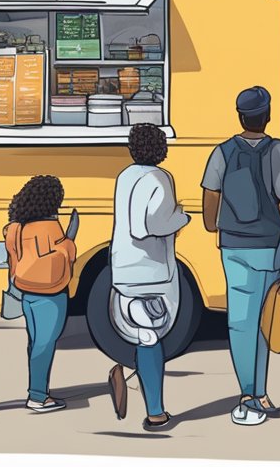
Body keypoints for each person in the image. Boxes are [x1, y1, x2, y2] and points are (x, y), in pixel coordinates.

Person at [202, 85, 280, 426]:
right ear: (267, 116)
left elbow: (209, 204)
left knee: (241, 322)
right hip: (269, 245)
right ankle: (259, 393)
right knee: (268, 320)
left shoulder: (221, 152)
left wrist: (216, 226)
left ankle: (248, 394)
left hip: (233, 247)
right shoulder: (279, 151)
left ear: (240, 116)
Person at [107, 123, 189, 432]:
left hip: (124, 270)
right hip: (152, 274)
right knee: (151, 338)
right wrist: (181, 217)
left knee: (143, 336)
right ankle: (155, 412)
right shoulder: (160, 178)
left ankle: (128, 378)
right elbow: (147, 226)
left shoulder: (125, 177)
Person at [4, 175, 78, 412]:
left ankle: (36, 388)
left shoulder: (17, 226)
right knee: (45, 343)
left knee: (35, 342)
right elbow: (65, 254)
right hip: (51, 293)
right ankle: (38, 396)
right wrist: (70, 240)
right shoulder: (51, 226)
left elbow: (14, 259)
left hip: (26, 291)